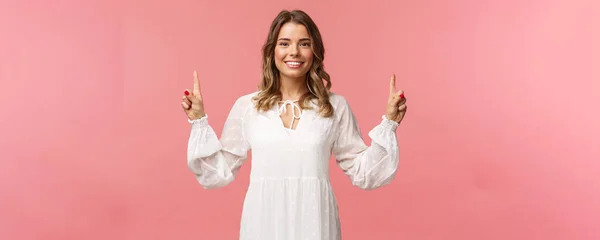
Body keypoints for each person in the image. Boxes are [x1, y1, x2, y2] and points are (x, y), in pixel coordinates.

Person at [180, 9, 407, 240]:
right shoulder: (248, 106)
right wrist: (198, 120)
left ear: (314, 51)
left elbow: (364, 172)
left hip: (315, 223)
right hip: (263, 224)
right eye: (285, 43)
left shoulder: (335, 106)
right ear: (272, 51)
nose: (294, 52)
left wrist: (389, 123)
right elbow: (217, 172)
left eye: (304, 44)